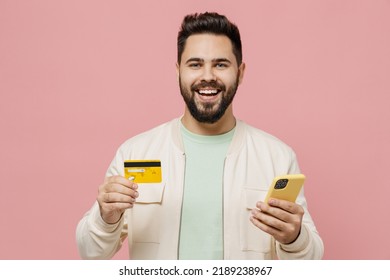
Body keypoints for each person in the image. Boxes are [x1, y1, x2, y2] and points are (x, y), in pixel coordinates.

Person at [76, 12, 324, 260]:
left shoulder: (277, 157)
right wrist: (106, 217)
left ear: (240, 72)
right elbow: (90, 252)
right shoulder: (135, 153)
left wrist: (294, 237)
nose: (207, 76)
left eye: (220, 64)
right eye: (195, 64)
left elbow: (311, 260)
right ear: (178, 71)